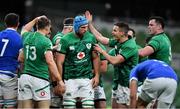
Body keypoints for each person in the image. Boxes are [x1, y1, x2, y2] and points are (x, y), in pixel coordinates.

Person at [85, 11, 139, 108]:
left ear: (122, 33)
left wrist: (102, 51)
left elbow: (114, 61)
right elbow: (101, 38)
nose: (112, 32)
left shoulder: (130, 46)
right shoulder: (119, 41)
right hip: (119, 82)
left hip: (127, 84)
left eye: (115, 30)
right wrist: (89, 24)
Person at [18, 16, 65, 108]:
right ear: (47, 27)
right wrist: (59, 80)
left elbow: (24, 29)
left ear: (37, 26)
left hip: (25, 77)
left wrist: (35, 19)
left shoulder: (27, 36)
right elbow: (50, 61)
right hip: (39, 79)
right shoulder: (46, 41)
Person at [55, 15, 100, 108]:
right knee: (69, 106)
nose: (85, 29)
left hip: (87, 78)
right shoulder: (65, 40)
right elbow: (59, 62)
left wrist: (97, 75)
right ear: (76, 27)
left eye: (86, 27)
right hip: (70, 79)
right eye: (83, 27)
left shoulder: (91, 38)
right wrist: (59, 81)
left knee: (89, 106)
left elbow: (95, 58)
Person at [50, 17, 74, 109]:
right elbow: (59, 43)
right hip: (57, 78)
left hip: (67, 76)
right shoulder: (59, 36)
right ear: (71, 28)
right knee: (55, 104)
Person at [0, 13, 22, 109]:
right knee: (10, 106)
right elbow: (21, 59)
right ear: (18, 24)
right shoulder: (20, 38)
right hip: (9, 75)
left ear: (5, 23)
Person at [94, 43, 108, 109]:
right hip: (78, 80)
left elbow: (104, 68)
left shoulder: (100, 47)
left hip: (96, 83)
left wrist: (86, 71)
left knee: (102, 105)